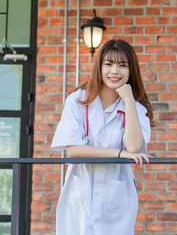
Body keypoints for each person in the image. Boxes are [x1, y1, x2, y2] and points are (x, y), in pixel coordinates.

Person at [51, 39, 155, 235]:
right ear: (99, 67)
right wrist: (119, 153)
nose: (114, 71)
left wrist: (129, 102)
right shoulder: (78, 100)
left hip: (116, 201)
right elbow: (73, 150)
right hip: (79, 196)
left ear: (131, 70)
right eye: (108, 64)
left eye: (122, 65)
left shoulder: (136, 109)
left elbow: (133, 148)